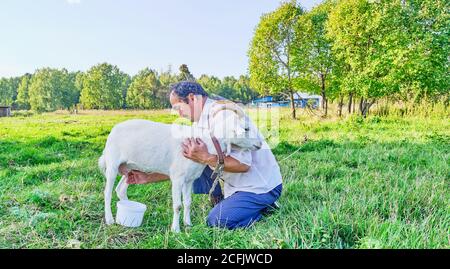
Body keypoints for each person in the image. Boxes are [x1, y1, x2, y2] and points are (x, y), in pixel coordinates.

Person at [118, 81, 282, 229]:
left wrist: (205, 157)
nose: (178, 114)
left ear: (191, 98)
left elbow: (244, 165)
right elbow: (184, 167)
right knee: (195, 153)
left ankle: (263, 207)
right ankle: (224, 201)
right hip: (235, 185)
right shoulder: (201, 123)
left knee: (217, 221)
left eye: (178, 108)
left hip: (259, 186)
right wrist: (149, 177)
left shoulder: (223, 116)